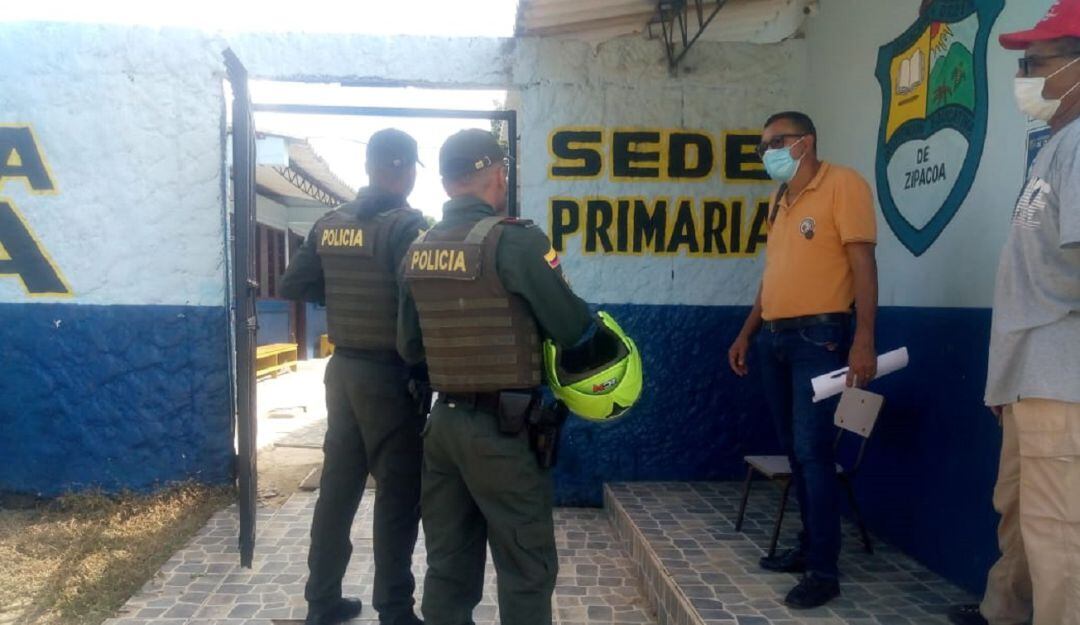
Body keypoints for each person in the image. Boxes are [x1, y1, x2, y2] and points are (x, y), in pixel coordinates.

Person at [397, 129, 594, 625]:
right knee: (526, 570)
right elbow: (572, 329)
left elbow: (409, 347)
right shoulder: (518, 241)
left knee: (448, 569)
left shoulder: (417, 250)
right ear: (499, 175)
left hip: (442, 429)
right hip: (504, 435)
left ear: (444, 183)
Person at [948, 3, 1080, 624]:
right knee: (1023, 520)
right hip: (1032, 380)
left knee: (1061, 540)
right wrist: (1011, 380)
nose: (1024, 75)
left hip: (1063, 382)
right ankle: (1004, 615)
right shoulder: (1058, 145)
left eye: (1036, 62)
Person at [727, 111, 879, 609]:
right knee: (795, 450)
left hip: (822, 338)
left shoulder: (844, 185)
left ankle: (823, 570)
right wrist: (748, 332)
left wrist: (864, 338)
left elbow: (863, 263)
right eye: (760, 145)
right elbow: (773, 276)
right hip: (775, 338)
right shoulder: (781, 199)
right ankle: (809, 545)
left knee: (814, 454)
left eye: (774, 141)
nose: (764, 151)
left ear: (804, 142)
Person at [280, 128, 429, 625]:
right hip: (389, 378)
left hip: (342, 374)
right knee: (397, 495)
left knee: (337, 491)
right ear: (405, 169)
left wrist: (340, 297)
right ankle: (395, 610)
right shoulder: (407, 227)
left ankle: (322, 602)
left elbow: (293, 283)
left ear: (369, 169)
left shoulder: (329, 223)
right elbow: (419, 301)